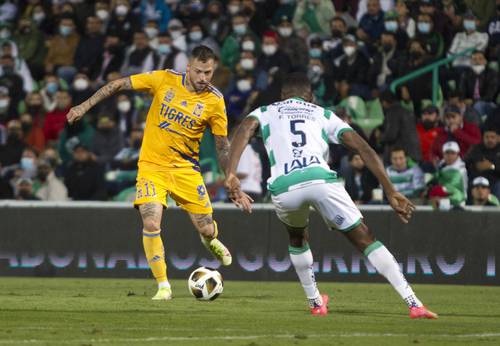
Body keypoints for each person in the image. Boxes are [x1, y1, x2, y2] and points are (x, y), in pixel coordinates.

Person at [224, 72, 437, 319]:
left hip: (284, 186)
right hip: (320, 180)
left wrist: (231, 172)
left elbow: (244, 129)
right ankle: (413, 304)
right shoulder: (322, 113)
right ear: (311, 96)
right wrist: (390, 189)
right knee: (364, 238)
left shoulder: (266, 111)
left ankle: (315, 302)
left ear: (282, 96)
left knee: (297, 238)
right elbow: (362, 147)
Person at [66, 45, 250, 301]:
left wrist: (231, 176)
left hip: (186, 171)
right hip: (152, 167)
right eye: (199, 71)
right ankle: (163, 286)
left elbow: (221, 145)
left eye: (209, 72)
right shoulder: (164, 79)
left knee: (206, 229)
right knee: (151, 222)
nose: (203, 78)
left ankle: (211, 240)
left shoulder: (214, 100)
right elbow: (119, 84)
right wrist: (84, 106)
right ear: (188, 66)